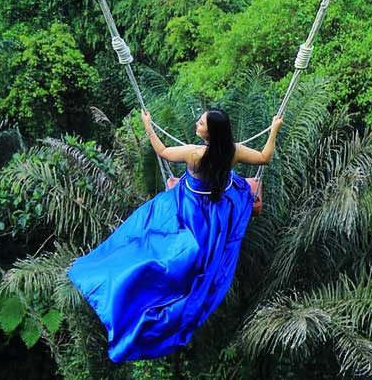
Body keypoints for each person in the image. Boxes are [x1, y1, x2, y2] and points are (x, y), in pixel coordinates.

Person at [67, 107, 283, 363]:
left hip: (190, 207)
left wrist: (148, 125)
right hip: (219, 212)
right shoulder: (233, 150)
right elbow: (265, 157)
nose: (197, 123)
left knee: (145, 233)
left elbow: (162, 152)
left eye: (201, 122)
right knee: (199, 259)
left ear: (210, 132)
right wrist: (274, 129)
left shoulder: (194, 154)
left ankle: (126, 286)